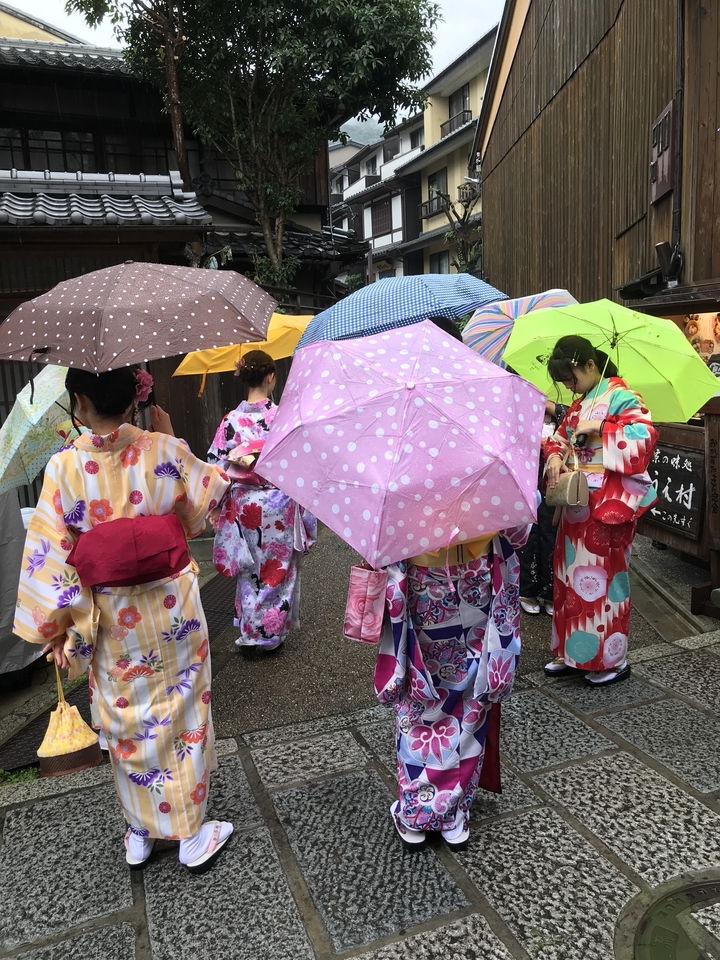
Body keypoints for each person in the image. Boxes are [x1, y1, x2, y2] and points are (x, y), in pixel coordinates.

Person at [13, 366, 234, 874]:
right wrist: (170, 436)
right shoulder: (163, 448)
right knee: (183, 713)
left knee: (125, 715)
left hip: (111, 619)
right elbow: (202, 508)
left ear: (81, 402)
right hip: (172, 608)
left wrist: (57, 628)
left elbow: (50, 556)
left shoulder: (63, 467)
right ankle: (190, 832)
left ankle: (139, 832)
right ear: (136, 395)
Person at [375, 317, 531, 852]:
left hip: (421, 593)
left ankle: (418, 808)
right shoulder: (483, 422)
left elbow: (378, 537)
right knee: (468, 696)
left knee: (420, 699)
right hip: (476, 592)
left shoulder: (392, 436)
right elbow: (517, 527)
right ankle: (454, 809)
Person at [543, 335, 658, 685]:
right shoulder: (580, 404)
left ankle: (611, 660)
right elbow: (559, 438)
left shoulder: (623, 395)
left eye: (571, 378)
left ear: (590, 365)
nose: (568, 385)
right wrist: (552, 457)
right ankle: (574, 652)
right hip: (577, 502)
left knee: (605, 582)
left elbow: (645, 436)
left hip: (608, 504)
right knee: (570, 580)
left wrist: (603, 428)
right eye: (563, 381)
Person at [208, 350, 316, 650]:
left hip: (244, 504)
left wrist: (216, 505)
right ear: (271, 377)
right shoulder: (282, 416)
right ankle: (268, 635)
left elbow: (215, 466)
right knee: (277, 568)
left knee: (248, 568)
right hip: (278, 502)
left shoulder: (230, 420)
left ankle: (249, 631)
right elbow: (299, 463)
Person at [517, 399, 568, 616]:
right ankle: (526, 590)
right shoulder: (519, 401)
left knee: (552, 532)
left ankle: (550, 592)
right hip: (524, 472)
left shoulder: (565, 406)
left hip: (552, 475)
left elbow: (574, 430)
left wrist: (554, 409)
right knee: (527, 532)